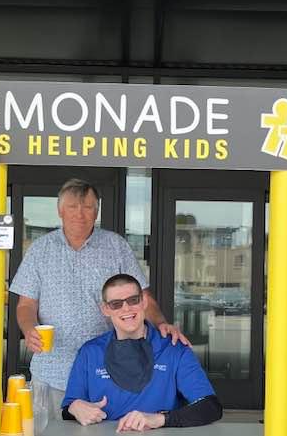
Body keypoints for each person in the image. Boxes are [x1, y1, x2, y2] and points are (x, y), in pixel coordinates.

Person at [11, 179, 187, 417]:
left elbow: (142, 297)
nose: (80, 214)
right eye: (73, 207)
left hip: (108, 371)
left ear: (97, 211)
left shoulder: (116, 246)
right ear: (60, 211)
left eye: (88, 207)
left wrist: (161, 323)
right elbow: (26, 305)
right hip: (53, 372)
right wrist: (29, 328)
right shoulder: (40, 250)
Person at [62, 273, 222, 432]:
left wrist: (160, 419)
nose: (126, 308)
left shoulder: (173, 348)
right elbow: (68, 409)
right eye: (116, 304)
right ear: (105, 310)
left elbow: (210, 407)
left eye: (133, 300)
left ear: (144, 301)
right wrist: (74, 407)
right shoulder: (90, 352)